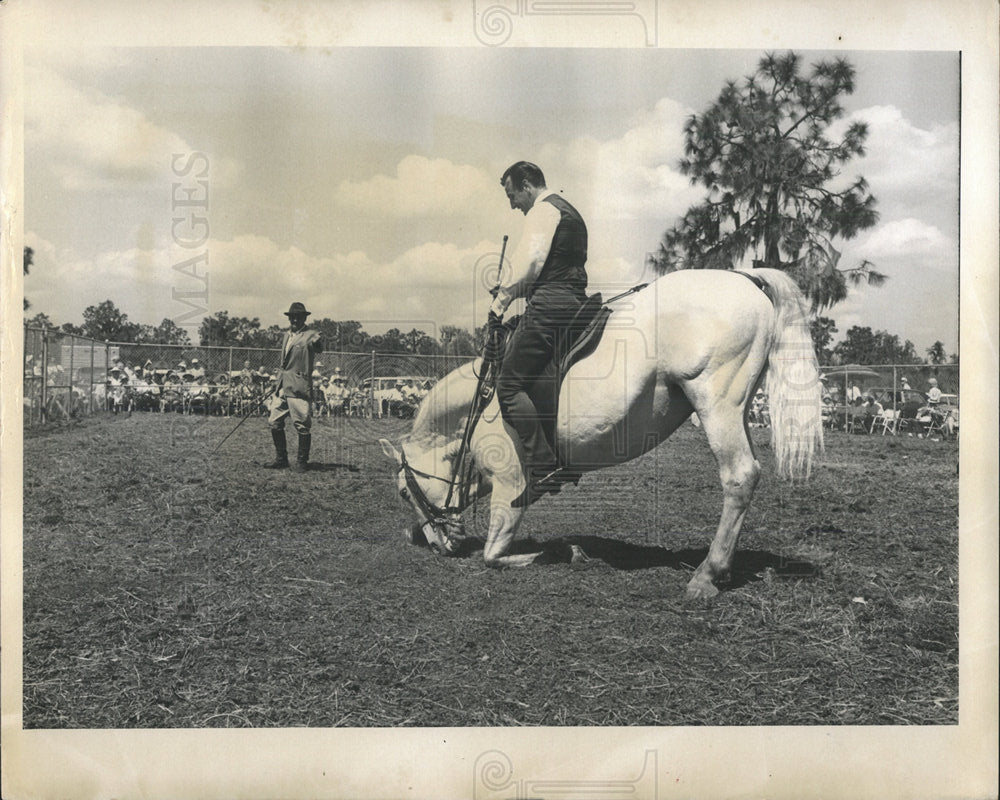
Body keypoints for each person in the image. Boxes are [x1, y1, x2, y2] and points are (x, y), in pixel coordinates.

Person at [490, 161, 589, 503]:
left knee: (509, 384)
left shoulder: (543, 212)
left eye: (512, 194)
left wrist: (499, 303)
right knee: (541, 376)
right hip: (575, 302)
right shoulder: (570, 211)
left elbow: (528, 266)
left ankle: (543, 466)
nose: (512, 204)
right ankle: (563, 455)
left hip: (549, 305)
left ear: (527, 185)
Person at [265, 302, 323, 472]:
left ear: (305, 318)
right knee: (274, 421)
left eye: (298, 317)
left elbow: (318, 347)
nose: (295, 320)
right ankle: (281, 459)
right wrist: (277, 381)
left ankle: (302, 462)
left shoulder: (311, 335)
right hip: (282, 386)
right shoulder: (286, 335)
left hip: (298, 385)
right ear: (289, 318)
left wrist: (319, 342)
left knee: (302, 424)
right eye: (292, 317)